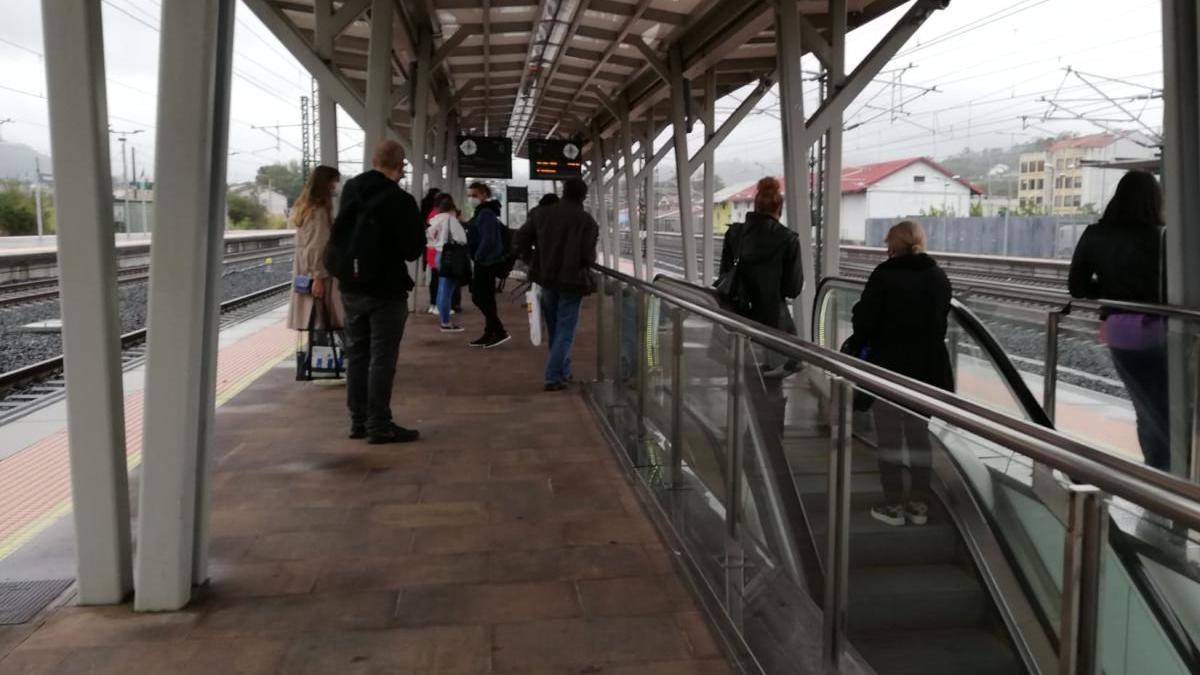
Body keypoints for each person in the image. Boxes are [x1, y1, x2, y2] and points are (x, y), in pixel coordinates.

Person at [847, 220, 953, 527]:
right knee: (919, 436)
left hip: (889, 367)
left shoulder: (885, 275)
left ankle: (893, 504)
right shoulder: (937, 276)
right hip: (928, 368)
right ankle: (919, 503)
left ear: (893, 246)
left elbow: (864, 321)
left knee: (891, 437)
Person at [1069, 170, 1169, 471]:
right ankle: (1168, 476)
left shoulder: (1096, 234)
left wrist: (1111, 289)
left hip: (1119, 332)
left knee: (1145, 406)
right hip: (1165, 330)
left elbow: (1077, 287)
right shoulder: (1162, 237)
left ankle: (1155, 471)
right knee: (1167, 407)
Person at [327, 139, 425, 444]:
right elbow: (412, 250)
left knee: (357, 353)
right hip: (386, 290)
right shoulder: (401, 200)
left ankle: (358, 421)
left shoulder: (351, 189)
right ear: (401, 165)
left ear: (373, 161)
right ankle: (379, 424)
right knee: (382, 358)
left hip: (351, 286)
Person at [515, 177, 599, 391]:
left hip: (546, 278)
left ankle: (564, 372)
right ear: (583, 196)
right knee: (565, 330)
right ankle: (553, 376)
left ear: (563, 192)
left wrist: (530, 259)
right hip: (572, 282)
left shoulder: (542, 214)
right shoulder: (587, 222)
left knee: (555, 328)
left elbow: (520, 237)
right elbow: (589, 258)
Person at [288, 164, 343, 332]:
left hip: (306, 271)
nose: (335, 186)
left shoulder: (305, 207)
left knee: (314, 323)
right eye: (334, 181)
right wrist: (318, 278)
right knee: (322, 321)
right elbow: (316, 246)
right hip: (317, 274)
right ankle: (323, 357)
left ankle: (317, 355)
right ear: (325, 183)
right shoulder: (319, 211)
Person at [465, 182, 510, 348]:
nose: (471, 199)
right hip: (487, 260)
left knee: (478, 296)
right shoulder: (484, 212)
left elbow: (488, 238)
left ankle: (499, 331)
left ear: (484, 195)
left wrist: (477, 256)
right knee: (488, 299)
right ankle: (490, 332)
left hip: (485, 261)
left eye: (474, 196)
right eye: (469, 196)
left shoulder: (485, 213)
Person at [426, 194, 468, 332]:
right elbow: (462, 239)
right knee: (447, 290)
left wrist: (436, 244)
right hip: (450, 256)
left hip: (439, 255)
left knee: (441, 288)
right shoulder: (451, 220)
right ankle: (446, 323)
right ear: (452, 209)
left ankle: (443, 319)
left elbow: (429, 236)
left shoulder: (435, 219)